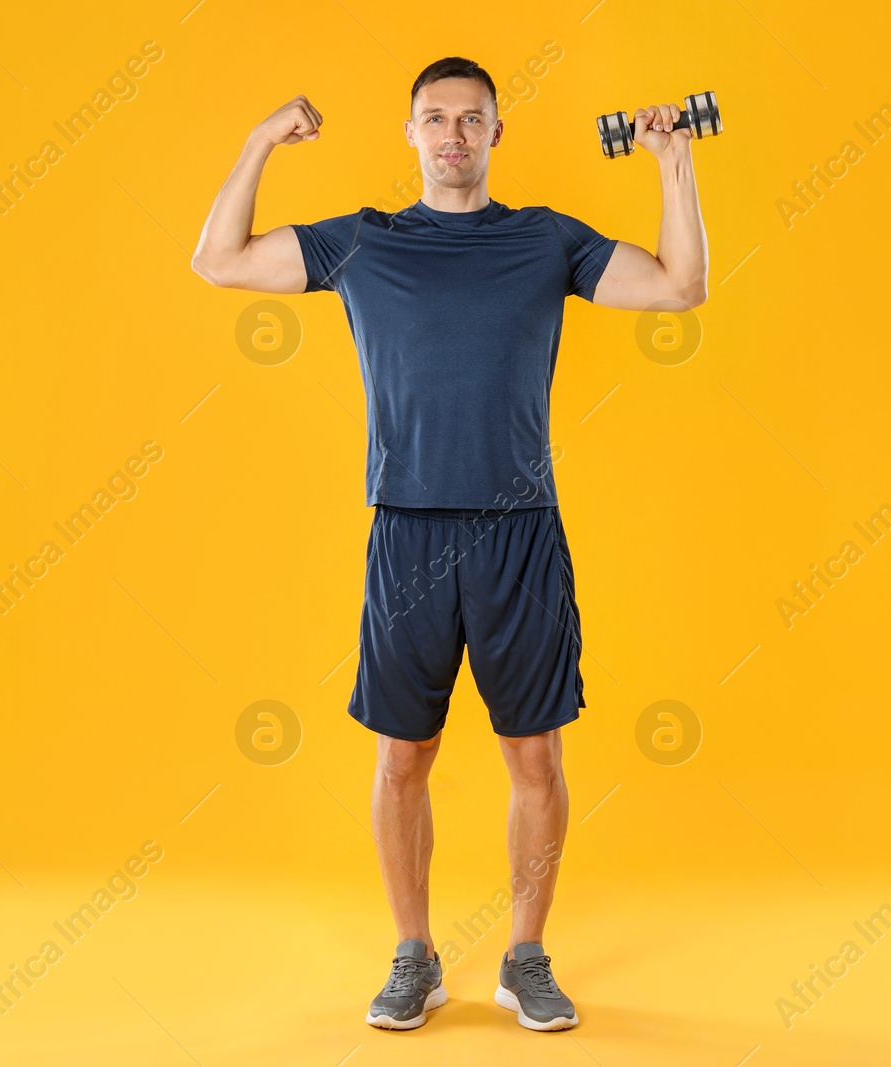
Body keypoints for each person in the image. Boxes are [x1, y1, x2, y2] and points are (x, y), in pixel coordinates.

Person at [192, 55, 708, 1031]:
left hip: (520, 533)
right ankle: (414, 955)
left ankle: (525, 955)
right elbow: (217, 260)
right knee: (402, 756)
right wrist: (260, 140)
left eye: (472, 119)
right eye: (436, 118)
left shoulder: (545, 239)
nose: (454, 135)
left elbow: (681, 286)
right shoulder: (365, 243)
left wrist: (671, 164)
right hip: (407, 531)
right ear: (412, 135)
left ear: (496, 134)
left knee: (536, 758)